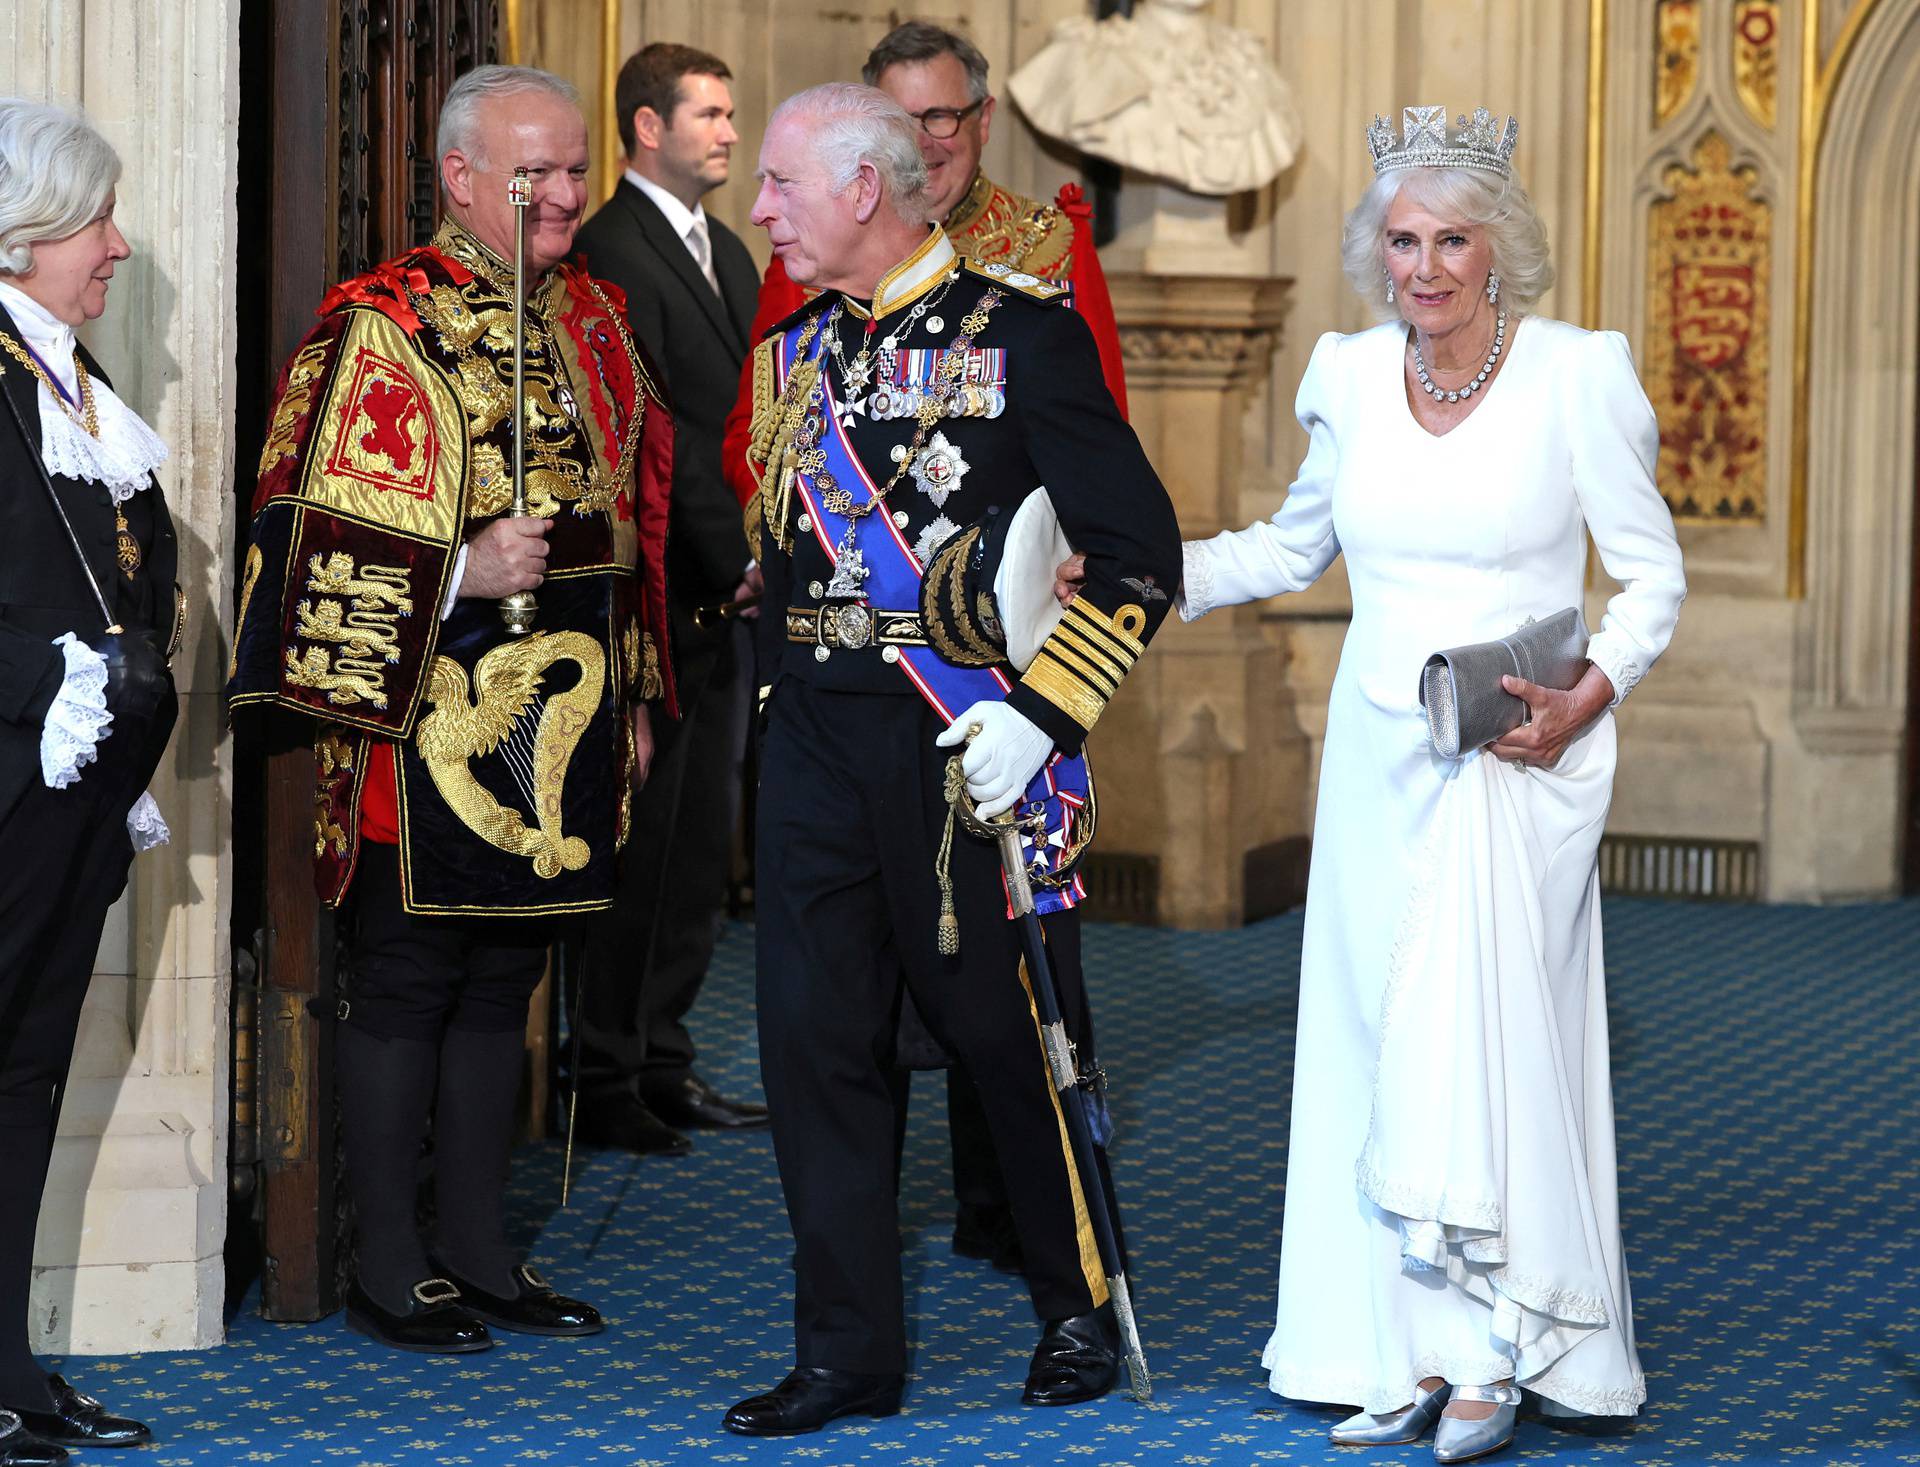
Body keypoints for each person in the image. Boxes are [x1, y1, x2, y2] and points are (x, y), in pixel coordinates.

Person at [1170, 106, 1684, 1460]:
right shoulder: (1343, 373)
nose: (1428, 265)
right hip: (1376, 757)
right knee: (1369, 1037)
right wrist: (1137, 570)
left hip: (1514, 762)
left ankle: (1493, 1348)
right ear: (1376, 251)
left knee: (1486, 1047)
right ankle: (1381, 1346)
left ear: (1499, 245)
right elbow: (1287, 551)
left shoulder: (1578, 375)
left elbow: (1652, 576)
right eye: (1403, 238)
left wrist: (1592, 692)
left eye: (1454, 237)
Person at [721, 82, 1179, 1439]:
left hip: (957, 739)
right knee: (812, 1041)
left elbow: (1139, 554)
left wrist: (1042, 711)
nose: (762, 209)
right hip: (807, 737)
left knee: (1006, 1035)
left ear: (864, 187)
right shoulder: (789, 351)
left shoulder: (1023, 339)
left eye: (783, 185)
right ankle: (846, 1350)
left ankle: (1078, 1302)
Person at [227, 64, 675, 1357]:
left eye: (578, 169)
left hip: (573, 710)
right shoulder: (378, 322)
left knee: (508, 981)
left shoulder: (597, 312)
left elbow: (634, 529)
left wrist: (639, 686)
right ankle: (391, 1259)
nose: (569, 196)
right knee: (411, 981)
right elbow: (297, 535)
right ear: (462, 177)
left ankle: (482, 1249)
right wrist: (461, 568)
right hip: (418, 715)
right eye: (538, 174)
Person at [0, 98, 182, 1463]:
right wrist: (49, 677)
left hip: (73, 798)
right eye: (97, 221)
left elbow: (137, 570)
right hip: (7, 781)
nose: (116, 247)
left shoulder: (75, 377)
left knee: (26, 1078)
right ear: (27, 231)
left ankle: (9, 1368)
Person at [571, 42, 767, 1157]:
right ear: (647, 128)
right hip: (660, 597)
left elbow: (745, 422)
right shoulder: (611, 250)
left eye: (732, 115)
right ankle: (605, 1078)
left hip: (727, 597)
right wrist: (727, 555)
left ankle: (664, 1059)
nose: (728, 134)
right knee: (644, 851)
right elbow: (658, 435)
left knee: (700, 849)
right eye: (709, 114)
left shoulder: (727, 253)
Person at [720, 18, 1128, 517]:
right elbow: (759, 427)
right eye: (898, 120)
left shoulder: (1052, 242)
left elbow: (1096, 436)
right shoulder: (813, 252)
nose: (918, 143)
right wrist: (793, 542)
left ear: (984, 120)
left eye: (940, 117)